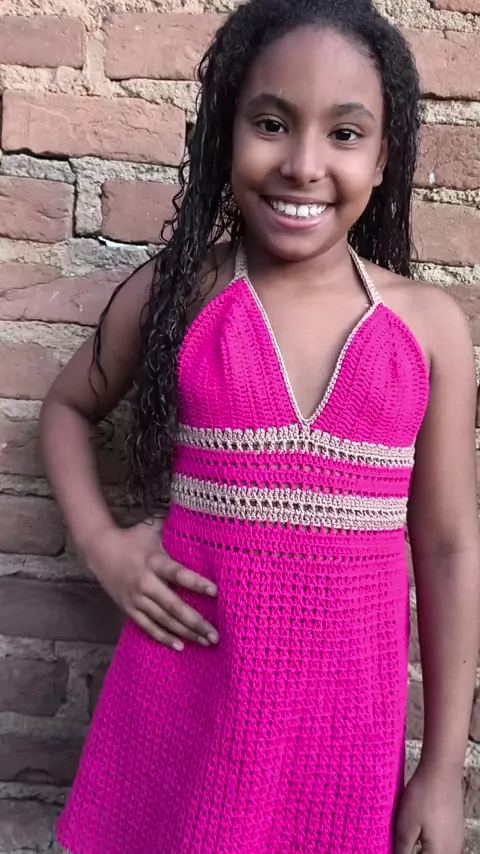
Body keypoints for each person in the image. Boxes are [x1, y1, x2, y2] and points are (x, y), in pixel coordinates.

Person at [40, 0, 479, 852]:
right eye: (272, 124)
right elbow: (65, 408)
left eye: (344, 134)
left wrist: (440, 766)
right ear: (225, 133)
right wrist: (101, 543)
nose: (303, 164)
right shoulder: (183, 294)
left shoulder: (426, 329)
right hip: (181, 706)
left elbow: (450, 548)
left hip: (341, 738)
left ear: (384, 158)